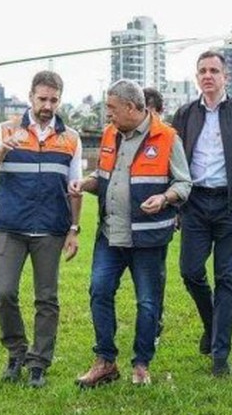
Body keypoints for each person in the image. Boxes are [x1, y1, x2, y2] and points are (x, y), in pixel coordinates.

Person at [72, 80, 192, 388]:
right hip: (110, 235)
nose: (107, 114)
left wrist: (165, 198)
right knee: (99, 291)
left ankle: (141, 363)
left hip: (148, 239)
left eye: (111, 108)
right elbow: (105, 178)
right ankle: (105, 361)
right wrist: (86, 183)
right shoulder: (111, 134)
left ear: (131, 107)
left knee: (148, 302)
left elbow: (184, 184)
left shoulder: (167, 138)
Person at [0, 70, 83, 388]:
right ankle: (16, 352)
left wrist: (74, 229)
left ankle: (39, 362)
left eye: (53, 100)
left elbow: (74, 188)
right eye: (42, 99)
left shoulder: (70, 138)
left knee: (46, 299)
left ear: (59, 100)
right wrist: (3, 149)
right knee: (4, 293)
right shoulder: (5, 129)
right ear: (31, 97)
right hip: (12, 226)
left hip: (50, 228)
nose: (48, 105)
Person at [172, 50, 232, 376]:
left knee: (227, 278)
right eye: (202, 70)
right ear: (196, 76)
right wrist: (172, 203)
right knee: (190, 271)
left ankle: (220, 356)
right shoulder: (185, 114)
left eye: (214, 70)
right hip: (195, 204)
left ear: (225, 76)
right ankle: (211, 322)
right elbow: (171, 164)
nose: (208, 75)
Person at [143, 86, 169, 344]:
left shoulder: (169, 138)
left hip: (160, 220)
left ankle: (155, 321)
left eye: (149, 112)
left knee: (155, 273)